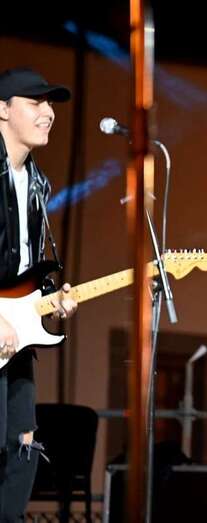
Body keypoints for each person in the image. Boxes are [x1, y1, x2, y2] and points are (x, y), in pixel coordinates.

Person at [0, 67, 78, 521]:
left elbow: (25, 267)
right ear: (3, 110)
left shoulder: (37, 182)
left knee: (22, 450)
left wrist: (51, 297)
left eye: (50, 104)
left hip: (18, 339)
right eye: (35, 102)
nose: (47, 113)